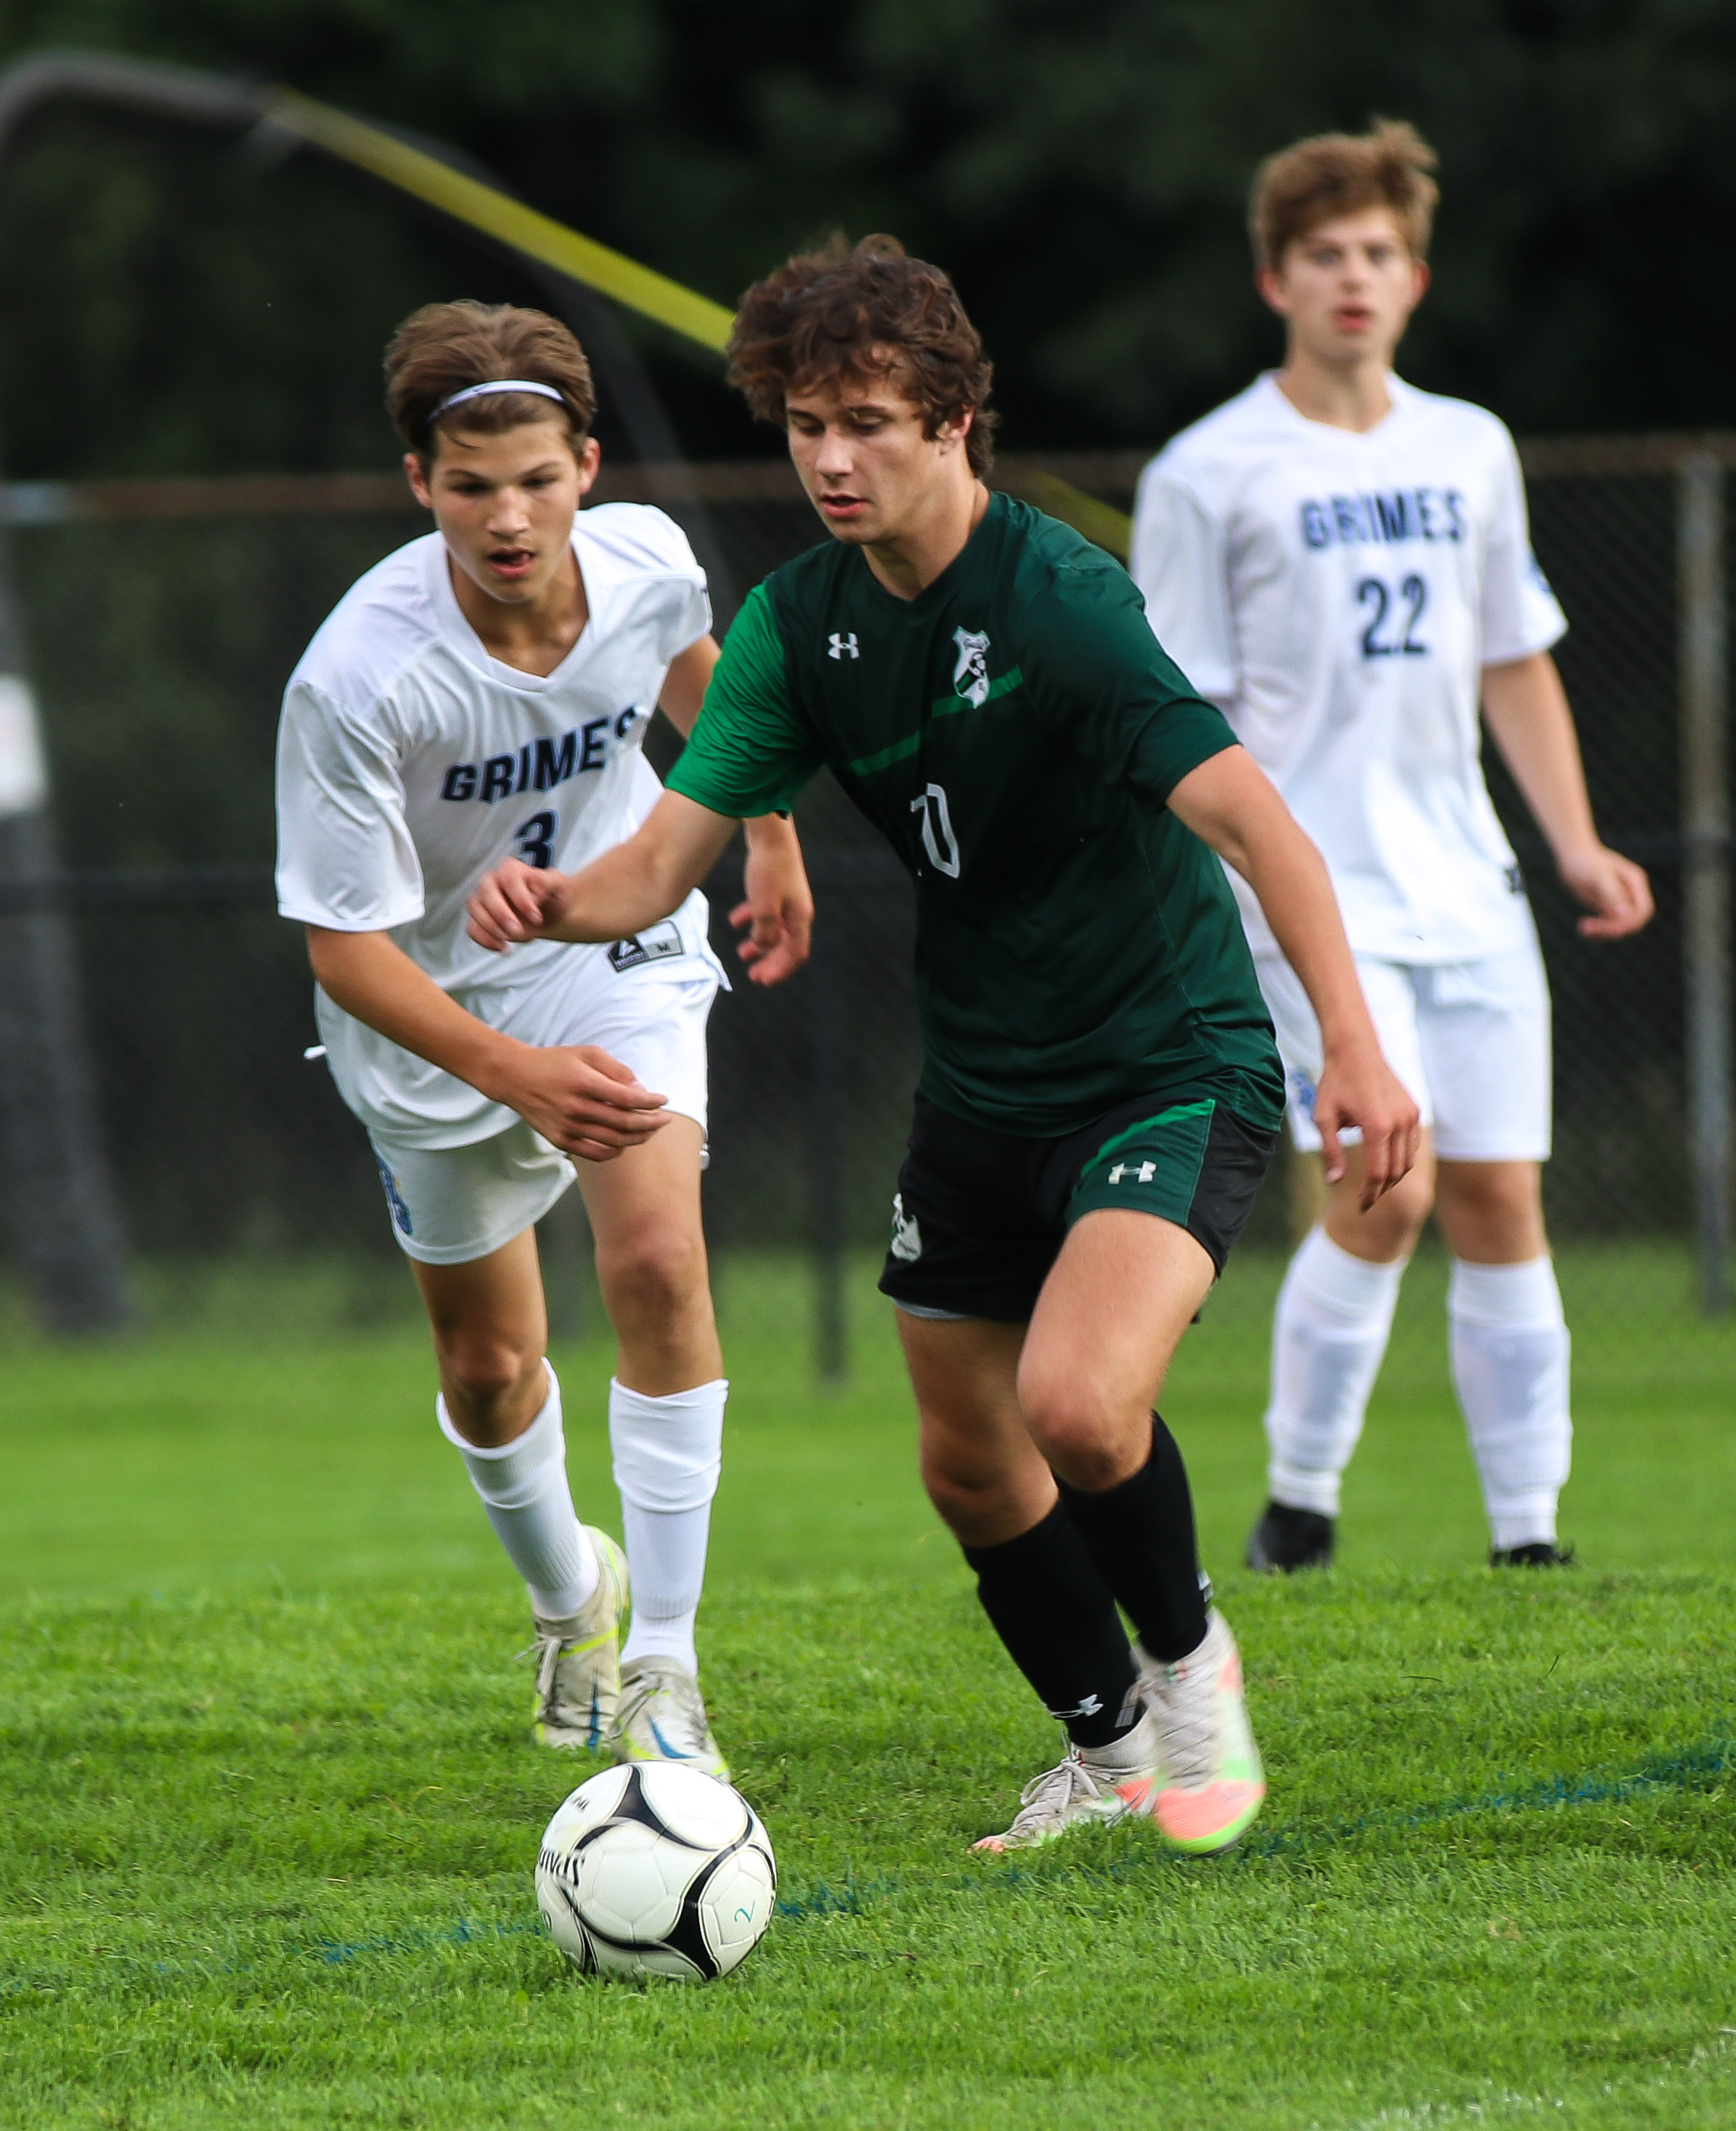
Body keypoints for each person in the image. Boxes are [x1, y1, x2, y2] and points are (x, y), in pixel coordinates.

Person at [466, 238, 1418, 1854]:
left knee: (1076, 1401)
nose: (830, 458)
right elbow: (655, 863)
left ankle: (1190, 1666)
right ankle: (1111, 1751)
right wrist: (546, 900)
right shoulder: (796, 625)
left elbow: (1260, 827)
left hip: (1162, 1058)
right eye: (803, 426)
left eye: (868, 422)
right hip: (980, 1082)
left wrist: (1354, 1047)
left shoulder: (1060, 602)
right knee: (968, 1464)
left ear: (955, 421)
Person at [274, 300, 812, 1775]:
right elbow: (344, 946)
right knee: (491, 1369)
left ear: (584, 463)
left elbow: (703, 674)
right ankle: (571, 1599)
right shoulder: (355, 678)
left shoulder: (642, 560)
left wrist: (762, 829)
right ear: (417, 485)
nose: (507, 519)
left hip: (613, 947)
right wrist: (517, 1076)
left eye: (535, 479)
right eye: (469, 488)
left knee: (654, 1258)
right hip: (430, 1022)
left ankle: (664, 1668)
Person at [1128, 123, 1654, 1576]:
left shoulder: (1466, 444)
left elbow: (1513, 658)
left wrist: (1576, 843)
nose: (1349, 279)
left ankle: (1527, 1535)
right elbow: (1171, 707)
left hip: (1464, 881)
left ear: (1412, 278)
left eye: (1373, 254)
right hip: (1312, 890)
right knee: (1387, 1186)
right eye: (1321, 257)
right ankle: (1297, 1504)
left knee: (1496, 1193)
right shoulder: (1206, 469)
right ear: (1272, 278)